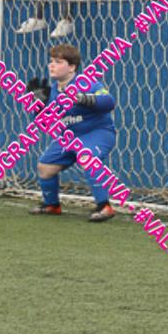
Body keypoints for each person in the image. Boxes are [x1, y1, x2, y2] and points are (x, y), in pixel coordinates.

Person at [29, 44, 117, 222]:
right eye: (51, 61)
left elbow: (109, 102)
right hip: (69, 138)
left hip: (97, 132)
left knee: (87, 157)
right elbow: (45, 124)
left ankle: (104, 206)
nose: (51, 65)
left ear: (72, 67)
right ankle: (52, 205)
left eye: (58, 62)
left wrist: (81, 98)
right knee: (45, 168)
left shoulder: (87, 83)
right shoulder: (50, 92)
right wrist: (37, 109)